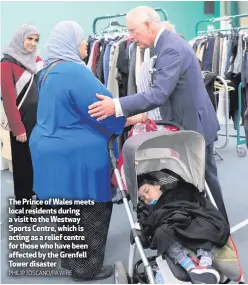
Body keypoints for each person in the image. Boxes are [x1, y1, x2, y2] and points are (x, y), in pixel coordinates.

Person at [29, 21, 147, 281]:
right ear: (71, 42)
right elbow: (102, 110)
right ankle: (87, 268)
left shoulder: (47, 70)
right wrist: (130, 120)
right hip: (76, 154)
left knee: (67, 210)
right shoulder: (75, 72)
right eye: (82, 40)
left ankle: (71, 259)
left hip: (48, 149)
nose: (86, 44)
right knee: (93, 209)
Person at [88, 6, 229, 223]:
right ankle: (211, 227)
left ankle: (219, 229)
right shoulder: (164, 45)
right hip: (189, 123)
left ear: (148, 25)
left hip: (193, 126)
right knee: (200, 180)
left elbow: (158, 94)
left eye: (133, 30)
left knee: (205, 182)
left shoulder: (170, 49)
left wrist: (116, 105)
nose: (130, 37)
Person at [137, 171, 230, 284]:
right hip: (170, 229)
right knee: (161, 233)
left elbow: (198, 203)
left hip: (190, 217)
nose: (146, 198)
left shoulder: (180, 191)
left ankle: (205, 264)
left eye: (147, 191)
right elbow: (148, 227)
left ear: (157, 185)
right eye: (142, 198)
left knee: (206, 223)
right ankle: (191, 269)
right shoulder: (147, 210)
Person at [1, 24, 43, 216]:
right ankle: (24, 210)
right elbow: (9, 100)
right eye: (29, 39)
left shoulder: (37, 61)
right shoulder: (6, 64)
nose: (32, 44)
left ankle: (42, 200)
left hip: (40, 122)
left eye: (36, 40)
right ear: (20, 38)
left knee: (40, 163)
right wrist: (18, 128)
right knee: (23, 166)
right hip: (22, 123)